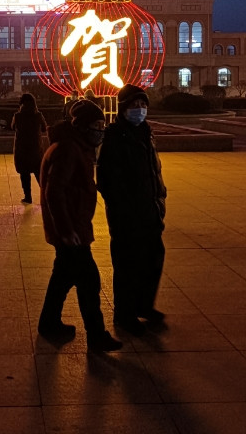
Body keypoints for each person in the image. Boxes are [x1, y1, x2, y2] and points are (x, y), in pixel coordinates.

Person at [38, 99, 123, 352]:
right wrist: (67, 231)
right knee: (89, 282)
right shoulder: (68, 149)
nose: (101, 131)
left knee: (62, 277)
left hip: (73, 227)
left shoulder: (77, 146)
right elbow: (54, 192)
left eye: (102, 126)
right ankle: (96, 335)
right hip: (71, 230)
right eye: (97, 126)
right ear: (83, 127)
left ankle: (48, 323)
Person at [96, 84, 167, 337]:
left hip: (150, 212)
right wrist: (124, 208)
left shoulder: (146, 133)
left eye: (143, 105)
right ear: (123, 109)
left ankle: (144, 305)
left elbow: (153, 171)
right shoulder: (115, 137)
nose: (140, 110)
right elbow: (106, 180)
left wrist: (160, 198)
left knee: (153, 259)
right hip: (127, 217)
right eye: (134, 105)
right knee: (127, 266)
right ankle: (124, 314)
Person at [11, 93, 47, 204]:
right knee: (39, 174)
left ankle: (28, 197)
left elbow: (12, 127)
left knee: (24, 174)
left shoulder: (18, 116)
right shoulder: (38, 115)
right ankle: (46, 196)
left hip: (22, 150)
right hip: (36, 149)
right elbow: (44, 128)